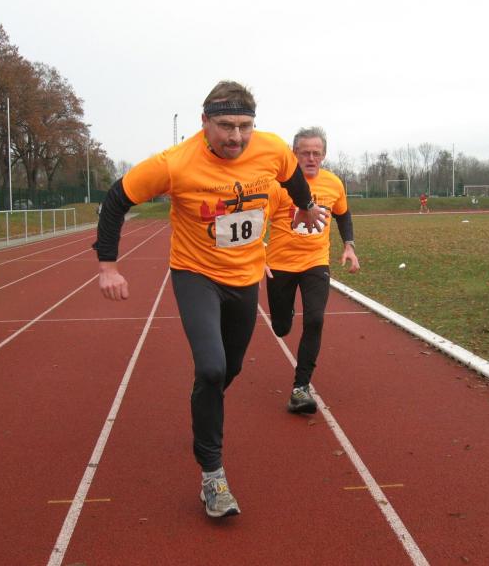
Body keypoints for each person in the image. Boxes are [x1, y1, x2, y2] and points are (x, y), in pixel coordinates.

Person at [93, 81, 326, 518]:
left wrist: (307, 205)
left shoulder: (272, 149)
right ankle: (212, 475)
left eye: (244, 126)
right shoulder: (174, 163)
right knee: (212, 367)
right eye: (226, 126)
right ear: (204, 122)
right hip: (195, 274)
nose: (236, 137)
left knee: (227, 370)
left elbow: (292, 175)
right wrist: (108, 265)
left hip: (245, 277)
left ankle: (206, 399)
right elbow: (116, 198)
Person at [265, 127, 359, 414]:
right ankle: (286, 314)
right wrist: (257, 253)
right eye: (305, 152)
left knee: (315, 319)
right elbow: (259, 219)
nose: (311, 158)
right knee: (281, 328)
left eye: (316, 153)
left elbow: (343, 213)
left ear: (324, 155)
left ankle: (300, 387)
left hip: (316, 262)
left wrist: (349, 246)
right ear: (294, 154)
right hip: (280, 264)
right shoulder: (277, 185)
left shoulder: (333, 183)